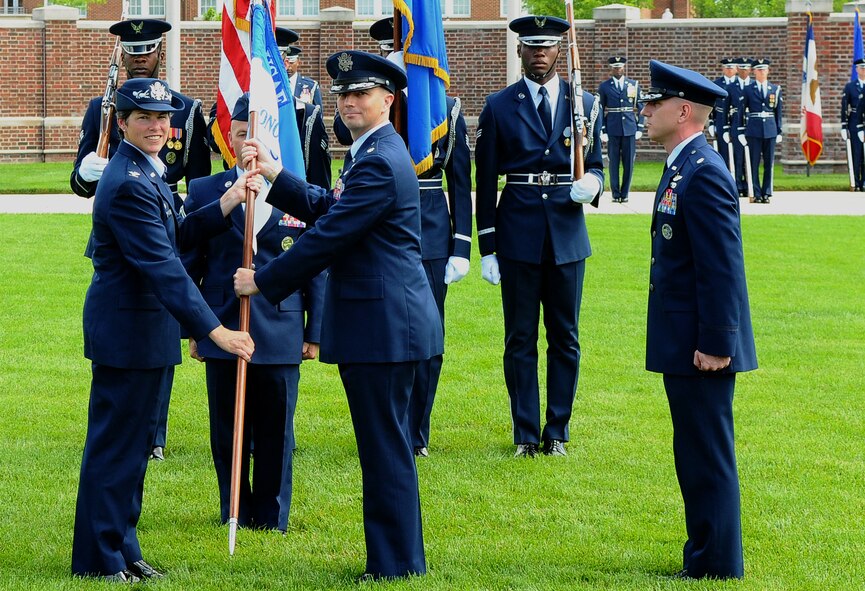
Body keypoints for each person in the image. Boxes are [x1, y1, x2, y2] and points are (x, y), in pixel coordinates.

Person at [234, 51, 442, 580]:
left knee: (385, 448)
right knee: (383, 446)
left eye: (362, 94)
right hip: (384, 324)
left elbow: (330, 236)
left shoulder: (378, 157)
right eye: (344, 94)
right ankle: (397, 560)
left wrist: (264, 279)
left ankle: (394, 566)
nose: (350, 102)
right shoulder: (374, 151)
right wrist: (278, 175)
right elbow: (332, 209)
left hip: (386, 326)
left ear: (388, 101)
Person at [71, 78, 255, 583]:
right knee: (116, 447)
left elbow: (175, 231)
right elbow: (164, 267)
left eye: (162, 119)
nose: (157, 127)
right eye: (144, 118)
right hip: (128, 331)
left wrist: (232, 197)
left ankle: (123, 547)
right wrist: (217, 332)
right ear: (123, 123)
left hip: (143, 331)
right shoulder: (129, 181)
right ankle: (98, 559)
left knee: (131, 450)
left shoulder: (144, 171)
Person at [70, 18, 212, 461]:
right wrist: (85, 174)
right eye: (131, 51)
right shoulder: (103, 108)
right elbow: (81, 181)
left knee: (158, 331)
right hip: (124, 231)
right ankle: (138, 431)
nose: (138, 57)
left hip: (169, 227)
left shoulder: (184, 110)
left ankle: (155, 431)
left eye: (146, 49)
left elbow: (200, 179)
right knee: (136, 323)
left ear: (159, 51)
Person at [181, 94, 324, 532]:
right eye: (242, 134)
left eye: (257, 137)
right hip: (224, 322)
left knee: (277, 427)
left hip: (281, 323)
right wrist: (196, 330)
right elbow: (190, 262)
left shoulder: (295, 190)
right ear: (229, 136)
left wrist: (313, 332)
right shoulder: (207, 190)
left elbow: (317, 264)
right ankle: (234, 509)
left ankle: (272, 514)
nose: (249, 146)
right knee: (228, 428)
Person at [640, 59, 757, 580]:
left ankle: (717, 562)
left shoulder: (704, 173)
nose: (644, 110)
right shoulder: (681, 165)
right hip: (681, 335)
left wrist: (717, 342)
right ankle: (704, 552)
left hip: (701, 344)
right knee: (692, 448)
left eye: (655, 102)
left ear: (683, 110)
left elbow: (722, 268)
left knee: (707, 452)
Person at [474, 15, 604, 458]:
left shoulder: (581, 101)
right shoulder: (498, 106)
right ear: (519, 52)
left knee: (565, 336)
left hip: (567, 234)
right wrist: (488, 246)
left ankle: (558, 431)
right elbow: (486, 180)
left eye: (547, 47)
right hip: (518, 233)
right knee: (520, 337)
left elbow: (598, 161)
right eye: (531, 47)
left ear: (559, 52)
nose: (539, 54)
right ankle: (527, 432)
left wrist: (597, 184)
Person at [597, 56, 643, 203]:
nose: (618, 69)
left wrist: (640, 127)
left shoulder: (633, 85)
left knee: (629, 163)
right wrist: (602, 129)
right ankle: (616, 194)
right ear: (611, 69)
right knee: (613, 162)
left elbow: (641, 106)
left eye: (620, 67)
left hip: (630, 127)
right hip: (612, 127)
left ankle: (625, 193)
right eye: (615, 67)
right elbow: (600, 109)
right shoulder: (604, 86)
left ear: (624, 68)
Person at [740, 58, 782, 203]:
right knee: (754, 162)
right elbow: (741, 111)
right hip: (754, 129)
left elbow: (778, 112)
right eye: (759, 70)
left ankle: (767, 192)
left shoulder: (775, 89)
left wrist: (779, 130)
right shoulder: (748, 90)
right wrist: (741, 130)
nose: (762, 72)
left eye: (764, 69)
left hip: (770, 129)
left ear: (768, 71)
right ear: (754, 72)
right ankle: (756, 192)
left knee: (769, 163)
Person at [276, 27, 323, 109]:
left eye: (291, 62)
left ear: (298, 62)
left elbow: (318, 115)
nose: (288, 66)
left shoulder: (310, 86)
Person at [709, 58, 738, 173]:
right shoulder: (716, 85)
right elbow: (712, 105)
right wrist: (712, 122)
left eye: (731, 67)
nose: (729, 70)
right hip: (721, 119)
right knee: (723, 151)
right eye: (727, 67)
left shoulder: (741, 84)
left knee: (739, 152)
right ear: (723, 69)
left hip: (737, 120)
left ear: (736, 69)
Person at [841, 58, 865, 191]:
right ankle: (856, 182)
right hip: (855, 121)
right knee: (856, 153)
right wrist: (844, 125)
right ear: (857, 70)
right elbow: (844, 106)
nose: (864, 70)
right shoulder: (850, 87)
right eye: (861, 68)